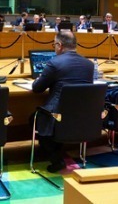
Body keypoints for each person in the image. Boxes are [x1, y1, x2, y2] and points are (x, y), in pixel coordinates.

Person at [31, 31, 93, 172]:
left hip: (57, 115)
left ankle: (55, 157)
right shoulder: (89, 65)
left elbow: (37, 88)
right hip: (81, 115)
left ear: (59, 45)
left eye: (54, 45)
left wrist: (39, 78)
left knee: (33, 119)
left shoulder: (54, 63)